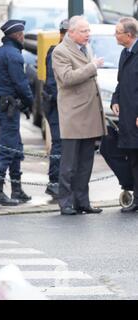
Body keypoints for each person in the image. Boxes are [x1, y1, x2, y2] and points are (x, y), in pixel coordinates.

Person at [52, 16, 106, 215]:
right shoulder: (60, 51)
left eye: (88, 30)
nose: (88, 34)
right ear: (71, 32)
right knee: (69, 164)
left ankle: (82, 201)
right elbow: (67, 78)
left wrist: (91, 66)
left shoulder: (86, 48)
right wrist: (92, 67)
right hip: (73, 114)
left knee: (85, 163)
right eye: (84, 31)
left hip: (89, 113)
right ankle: (65, 202)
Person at [0, 19, 33, 206]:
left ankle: (16, 189)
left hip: (2, 106)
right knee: (7, 149)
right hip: (9, 108)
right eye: (22, 34)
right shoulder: (14, 55)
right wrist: (30, 101)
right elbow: (20, 83)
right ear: (18, 35)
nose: (23, 37)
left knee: (15, 148)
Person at [111, 17, 138, 213]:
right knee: (132, 156)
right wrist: (115, 100)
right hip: (127, 115)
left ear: (129, 35)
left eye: (118, 32)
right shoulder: (124, 53)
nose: (115, 36)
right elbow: (120, 83)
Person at [42, 19, 68, 199]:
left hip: (60, 105)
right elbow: (53, 85)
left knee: (63, 144)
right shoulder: (55, 52)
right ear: (62, 34)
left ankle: (60, 181)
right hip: (55, 106)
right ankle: (54, 182)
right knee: (58, 143)